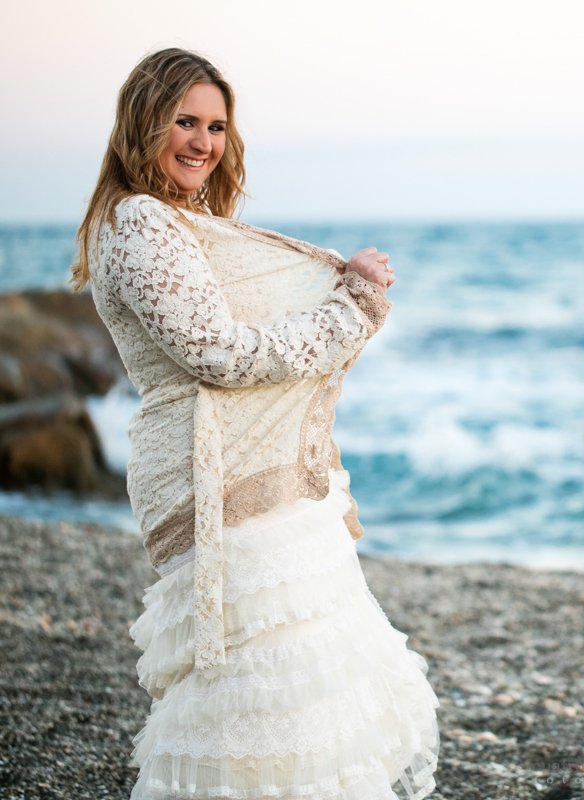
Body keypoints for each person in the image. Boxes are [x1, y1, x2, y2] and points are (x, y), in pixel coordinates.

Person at [71, 48, 440, 799]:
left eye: (215, 126)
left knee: (301, 674)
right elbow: (219, 354)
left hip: (243, 469)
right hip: (210, 473)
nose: (203, 143)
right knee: (257, 687)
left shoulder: (175, 220)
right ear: (144, 121)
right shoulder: (142, 221)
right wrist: (349, 306)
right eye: (185, 121)